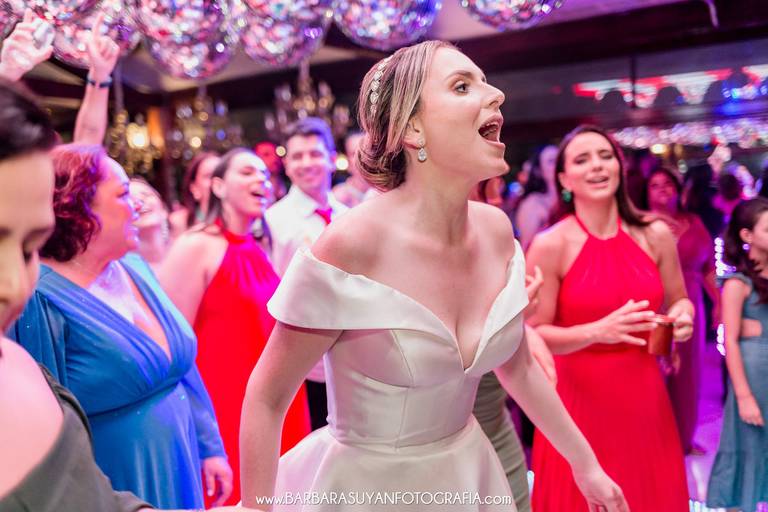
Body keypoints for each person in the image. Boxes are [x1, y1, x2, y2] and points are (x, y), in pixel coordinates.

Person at [240, 41, 629, 512]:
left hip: (468, 476)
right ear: (413, 129)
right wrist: (257, 508)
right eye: (462, 86)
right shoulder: (350, 243)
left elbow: (520, 368)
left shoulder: (497, 231)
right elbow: (267, 397)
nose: (496, 95)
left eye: (485, 82)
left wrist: (585, 464)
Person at [0, 80, 255, 512]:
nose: (137, 205)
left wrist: (209, 444)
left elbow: (183, 367)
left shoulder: (134, 267)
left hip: (178, 455)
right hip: (121, 466)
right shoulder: (41, 301)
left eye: (26, 248)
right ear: (81, 209)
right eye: (122, 194)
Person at [527, 124, 694, 512]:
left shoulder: (655, 234)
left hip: (645, 397)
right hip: (576, 403)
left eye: (605, 156)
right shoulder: (551, 244)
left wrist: (682, 318)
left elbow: (681, 299)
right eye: (582, 160)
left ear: (620, 167)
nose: (597, 166)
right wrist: (597, 331)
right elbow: (533, 334)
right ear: (564, 179)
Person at [160, 148, 310, 506]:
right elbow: (171, 345)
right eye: (246, 172)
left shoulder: (257, 248)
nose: (261, 180)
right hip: (226, 404)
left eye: (264, 174)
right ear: (218, 186)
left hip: (273, 400)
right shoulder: (196, 245)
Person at [264, 117, 348, 430]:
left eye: (314, 154)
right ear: (286, 166)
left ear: (331, 159)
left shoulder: (348, 216)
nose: (306, 163)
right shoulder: (273, 221)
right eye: (297, 156)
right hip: (303, 361)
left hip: (353, 353)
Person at [645, 166, 720, 454]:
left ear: (679, 189)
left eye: (668, 183)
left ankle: (683, 439)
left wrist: (720, 301)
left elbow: (708, 268)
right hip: (654, 303)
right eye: (655, 185)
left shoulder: (694, 222)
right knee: (655, 372)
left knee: (689, 372)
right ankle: (655, 443)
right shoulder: (640, 224)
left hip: (691, 304)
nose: (662, 189)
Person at [707, 198, 768, 512]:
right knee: (748, 446)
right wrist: (743, 396)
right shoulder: (738, 284)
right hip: (753, 378)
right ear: (747, 236)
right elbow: (729, 340)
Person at [514, 145, 558, 250]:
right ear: (539, 171)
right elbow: (527, 248)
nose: (558, 164)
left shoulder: (571, 198)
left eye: (560, 158)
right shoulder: (532, 203)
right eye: (551, 161)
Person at [169, 152, 220, 238]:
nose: (217, 180)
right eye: (209, 175)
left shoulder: (241, 223)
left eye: (221, 174)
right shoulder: (180, 223)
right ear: (194, 188)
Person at [129, 178, 171, 273]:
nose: (139, 201)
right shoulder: (121, 270)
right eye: (130, 199)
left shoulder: (187, 249)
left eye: (146, 195)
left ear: (164, 209)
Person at [332, 132, 371, 208]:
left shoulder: (385, 191)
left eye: (366, 151)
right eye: (354, 153)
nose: (361, 157)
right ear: (348, 160)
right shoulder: (339, 196)